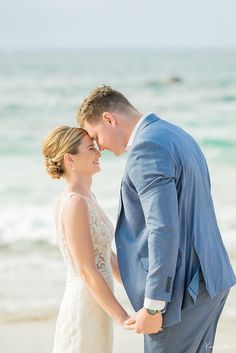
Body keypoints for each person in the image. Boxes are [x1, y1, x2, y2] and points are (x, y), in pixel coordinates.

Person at [77, 85, 236, 353]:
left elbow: (163, 229)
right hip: (212, 281)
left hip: (181, 297)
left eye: (95, 136)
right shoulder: (176, 134)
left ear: (108, 119)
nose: (99, 147)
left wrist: (153, 305)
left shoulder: (146, 149)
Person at [42, 126, 134, 353]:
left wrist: (139, 291)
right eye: (90, 148)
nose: (98, 153)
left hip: (98, 307)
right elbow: (87, 270)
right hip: (83, 308)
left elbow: (106, 255)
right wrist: (122, 317)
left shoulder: (88, 197)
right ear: (69, 159)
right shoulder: (74, 203)